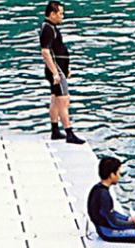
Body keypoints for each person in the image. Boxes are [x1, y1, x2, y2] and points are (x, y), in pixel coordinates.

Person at [40, 1, 84, 144]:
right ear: (52, 14)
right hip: (56, 70)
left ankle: (55, 130)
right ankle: (69, 133)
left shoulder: (51, 27)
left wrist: (65, 68)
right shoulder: (48, 29)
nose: (62, 17)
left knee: (55, 99)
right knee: (64, 100)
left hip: (59, 68)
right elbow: (45, 52)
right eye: (60, 14)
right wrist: (56, 72)